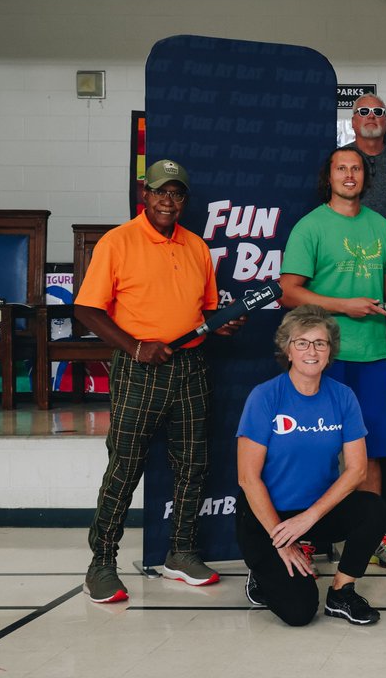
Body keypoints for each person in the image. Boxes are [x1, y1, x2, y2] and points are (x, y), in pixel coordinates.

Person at [75, 159, 240, 603]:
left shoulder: (195, 246)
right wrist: (134, 346)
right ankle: (101, 565)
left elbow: (202, 310)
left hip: (190, 367)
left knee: (193, 465)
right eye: (160, 192)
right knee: (125, 466)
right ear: (144, 195)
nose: (169, 201)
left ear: (185, 200)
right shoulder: (118, 241)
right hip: (140, 368)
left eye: (177, 194)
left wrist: (216, 324)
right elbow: (87, 309)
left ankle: (181, 553)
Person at [280, 145, 386, 570]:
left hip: (373, 356)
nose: (349, 175)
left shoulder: (379, 227)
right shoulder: (311, 227)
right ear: (328, 177)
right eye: (341, 169)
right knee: (315, 448)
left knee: (368, 449)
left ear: (365, 179)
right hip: (320, 360)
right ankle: (310, 535)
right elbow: (289, 292)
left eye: (356, 169)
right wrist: (342, 306)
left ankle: (370, 536)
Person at [236, 305, 386, 626]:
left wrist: (310, 517)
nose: (311, 350)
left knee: (372, 508)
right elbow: (248, 479)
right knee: (299, 612)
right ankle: (261, 572)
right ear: (287, 350)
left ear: (330, 351)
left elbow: (357, 470)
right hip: (268, 517)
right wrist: (282, 540)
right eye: (301, 342)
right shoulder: (265, 397)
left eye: (320, 343)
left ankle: (341, 593)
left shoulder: (343, 397)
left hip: (313, 512)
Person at [348, 93, 386, 218]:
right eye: (364, 111)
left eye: (378, 112)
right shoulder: (338, 158)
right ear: (353, 122)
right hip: (349, 236)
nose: (371, 116)